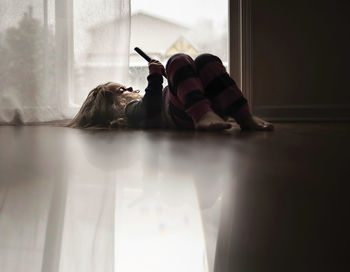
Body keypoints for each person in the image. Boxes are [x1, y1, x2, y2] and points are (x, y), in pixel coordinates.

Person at [68, 53, 273, 131]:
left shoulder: (140, 106)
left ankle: (244, 116)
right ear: (112, 105)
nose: (129, 88)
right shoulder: (131, 111)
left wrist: (181, 81)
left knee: (205, 60)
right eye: (121, 90)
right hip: (184, 116)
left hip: (195, 111)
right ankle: (202, 114)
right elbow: (151, 106)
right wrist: (155, 75)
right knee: (177, 60)